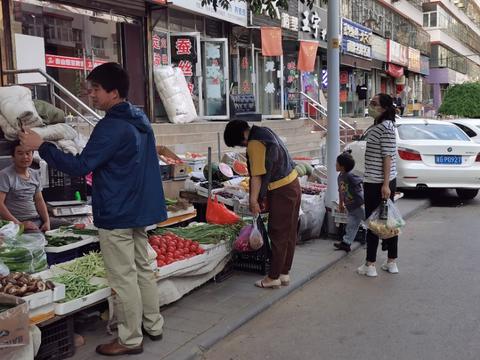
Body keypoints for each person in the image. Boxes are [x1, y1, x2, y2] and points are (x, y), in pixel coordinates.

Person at [19, 62, 167, 356]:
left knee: (123, 277)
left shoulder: (111, 125)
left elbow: (81, 166)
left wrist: (42, 145)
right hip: (139, 209)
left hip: (117, 211)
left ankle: (129, 339)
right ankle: (153, 325)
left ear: (113, 92)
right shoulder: (139, 118)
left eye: (95, 89)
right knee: (142, 270)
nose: (90, 95)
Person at [224, 120, 301, 289]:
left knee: (278, 233)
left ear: (242, 136)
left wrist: (253, 201)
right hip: (292, 184)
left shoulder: (254, 143)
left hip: (281, 190)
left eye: (239, 143)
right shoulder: (265, 131)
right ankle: (283, 273)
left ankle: (273, 277)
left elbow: (257, 176)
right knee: (289, 232)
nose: (242, 145)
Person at [357, 94, 398, 277]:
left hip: (378, 183)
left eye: (374, 104)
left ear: (384, 108)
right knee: (386, 221)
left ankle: (371, 264)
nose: (370, 106)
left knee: (375, 223)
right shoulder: (380, 126)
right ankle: (391, 262)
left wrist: (385, 185)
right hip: (380, 182)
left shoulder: (385, 128)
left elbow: (387, 157)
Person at [0, 141, 50, 232]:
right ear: (13, 157)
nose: (25, 157)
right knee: (39, 238)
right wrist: (19, 224)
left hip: (37, 219)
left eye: (28, 153)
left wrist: (47, 221)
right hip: (18, 223)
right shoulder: (5, 175)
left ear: (32, 155)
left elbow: (39, 200)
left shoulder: (35, 174)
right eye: (20, 153)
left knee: (69, 229)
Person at [334, 152, 364, 253]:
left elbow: (361, 181)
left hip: (359, 205)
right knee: (351, 225)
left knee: (371, 222)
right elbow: (341, 191)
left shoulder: (350, 176)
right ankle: (346, 243)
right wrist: (341, 204)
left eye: (337, 163)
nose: (335, 164)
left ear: (342, 166)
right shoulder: (340, 177)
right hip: (350, 206)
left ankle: (384, 236)